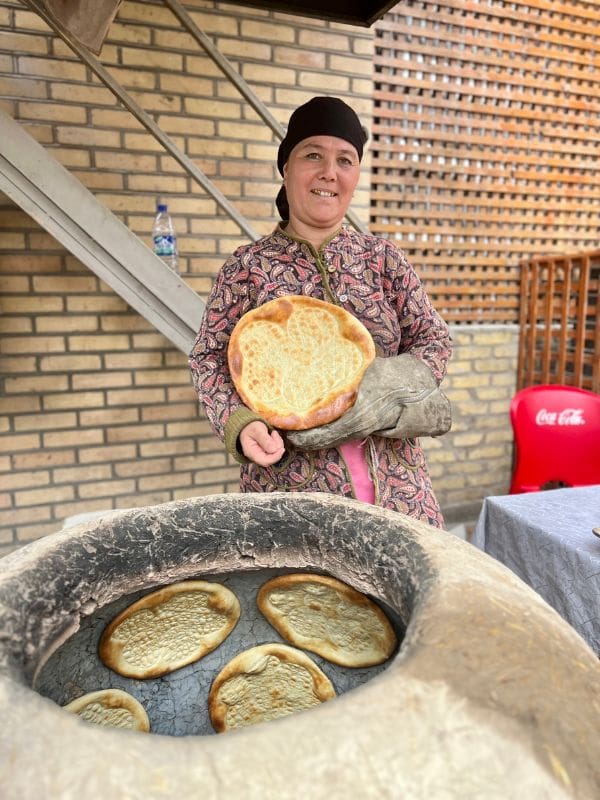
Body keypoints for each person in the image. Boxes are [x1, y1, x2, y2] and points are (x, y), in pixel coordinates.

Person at [189, 96, 452, 528]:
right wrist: (239, 422)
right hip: (291, 492)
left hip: (398, 488)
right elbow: (208, 358)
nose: (330, 171)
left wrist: (392, 390)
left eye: (345, 160)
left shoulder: (382, 259)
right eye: (313, 155)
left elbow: (432, 337)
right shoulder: (246, 268)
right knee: (300, 594)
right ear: (286, 167)